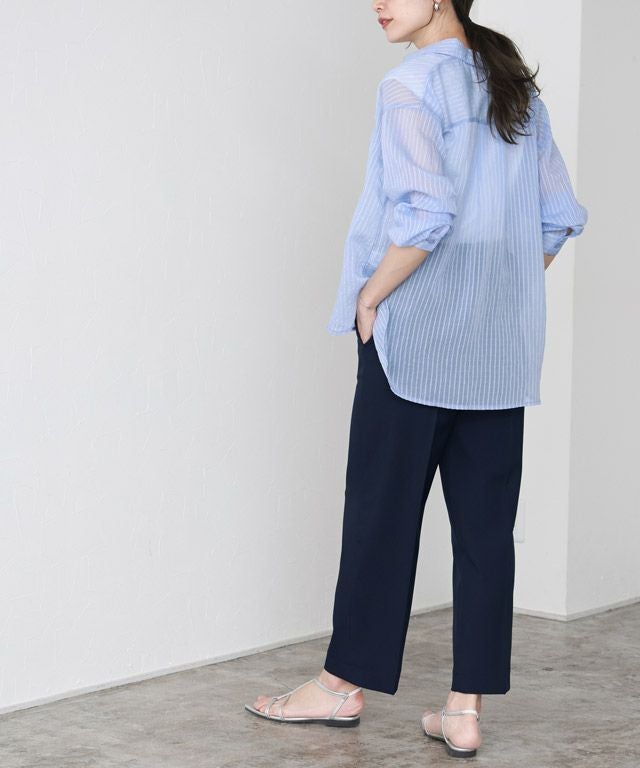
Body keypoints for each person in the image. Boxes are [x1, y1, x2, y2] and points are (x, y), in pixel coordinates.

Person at [245, 0, 588, 758]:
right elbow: (558, 216)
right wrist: (496, 292)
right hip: (496, 353)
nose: (377, 2)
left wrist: (371, 297)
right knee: (486, 531)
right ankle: (465, 709)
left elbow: (426, 211)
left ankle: (341, 685)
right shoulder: (513, 86)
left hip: (415, 344)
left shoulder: (410, 85)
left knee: (381, 514)